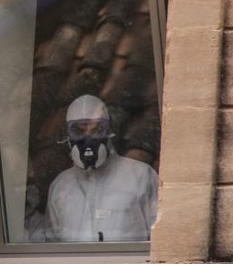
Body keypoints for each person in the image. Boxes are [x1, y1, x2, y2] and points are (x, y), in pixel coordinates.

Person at [46, 95, 158, 242]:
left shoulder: (141, 177)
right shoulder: (61, 187)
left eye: (96, 129)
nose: (88, 138)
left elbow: (162, 239)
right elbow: (52, 248)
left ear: (109, 132)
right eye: (78, 131)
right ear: (67, 136)